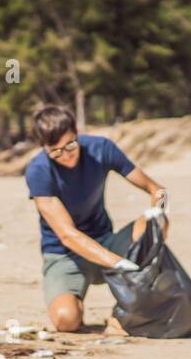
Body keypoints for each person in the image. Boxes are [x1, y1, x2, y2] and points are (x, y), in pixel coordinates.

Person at [24, 105, 168, 333]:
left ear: (77, 132)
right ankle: (81, 298)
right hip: (64, 255)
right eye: (56, 151)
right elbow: (67, 236)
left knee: (156, 224)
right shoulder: (38, 171)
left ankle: (127, 309)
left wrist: (158, 213)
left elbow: (157, 190)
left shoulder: (101, 149)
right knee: (66, 321)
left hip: (105, 240)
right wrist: (119, 264)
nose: (66, 155)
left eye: (70, 145)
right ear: (44, 148)